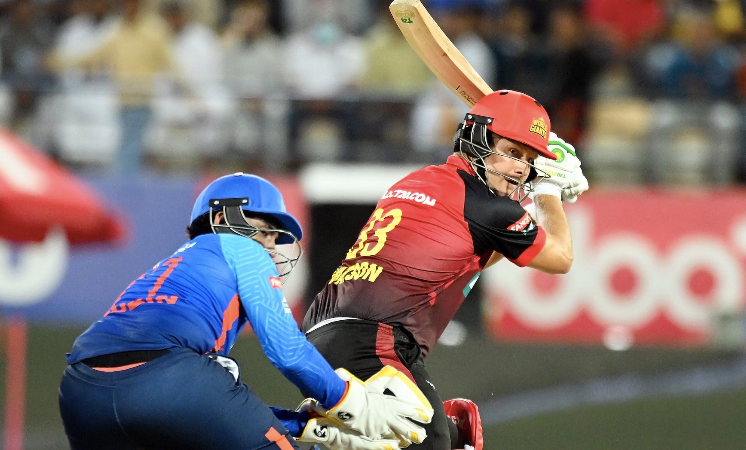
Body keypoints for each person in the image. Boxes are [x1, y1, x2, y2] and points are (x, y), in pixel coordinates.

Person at [58, 172, 433, 450]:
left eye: (275, 235)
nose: (270, 243)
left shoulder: (168, 270)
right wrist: (350, 402)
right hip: (170, 380)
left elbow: (205, 408)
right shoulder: (241, 249)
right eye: (265, 228)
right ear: (223, 219)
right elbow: (287, 353)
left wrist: (304, 425)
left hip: (80, 392)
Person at [301, 90, 589, 450]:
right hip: (376, 343)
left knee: (451, 438)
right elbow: (561, 257)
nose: (522, 168)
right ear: (479, 139)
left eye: (530, 160)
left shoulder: (419, 179)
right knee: (435, 440)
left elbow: (468, 258)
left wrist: (531, 207)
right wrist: (548, 188)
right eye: (513, 152)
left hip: (323, 334)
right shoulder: (489, 208)